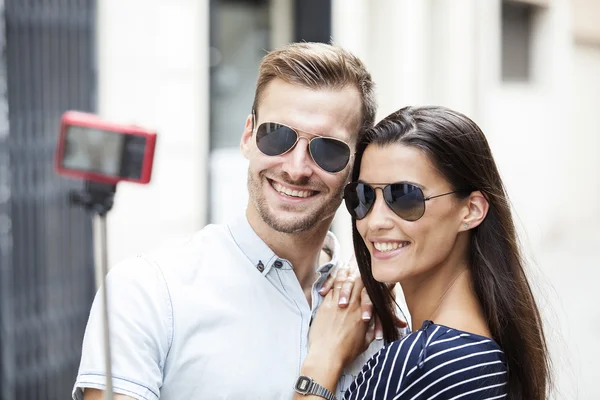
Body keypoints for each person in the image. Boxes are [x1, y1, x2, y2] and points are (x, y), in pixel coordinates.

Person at [73, 42, 393, 400]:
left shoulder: (374, 302)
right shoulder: (147, 291)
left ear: (357, 166)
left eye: (328, 149)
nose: (296, 168)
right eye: (278, 136)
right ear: (248, 136)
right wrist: (325, 363)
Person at [294, 106, 551, 399]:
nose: (374, 221)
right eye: (363, 196)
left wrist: (323, 358)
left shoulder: (426, 362)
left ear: (471, 210)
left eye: (404, 196)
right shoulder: (484, 348)